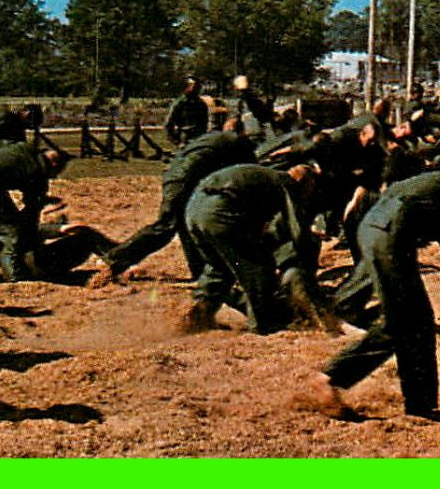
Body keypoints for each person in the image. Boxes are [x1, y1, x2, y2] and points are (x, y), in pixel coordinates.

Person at [294, 161, 440, 418]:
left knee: (419, 321)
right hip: (389, 233)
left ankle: (421, 405)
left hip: (382, 231)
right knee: (401, 322)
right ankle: (330, 378)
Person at [93, 121, 258, 285]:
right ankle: (113, 260)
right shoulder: (238, 143)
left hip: (176, 175)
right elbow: (251, 172)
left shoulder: (212, 139)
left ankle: (200, 270)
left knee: (186, 223)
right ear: (242, 132)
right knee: (167, 226)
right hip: (185, 179)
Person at [180, 162, 330, 334]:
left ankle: (200, 316)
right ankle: (262, 325)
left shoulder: (264, 178)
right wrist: (307, 270)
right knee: (259, 268)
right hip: (219, 211)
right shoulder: (287, 184)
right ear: (304, 182)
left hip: (194, 209)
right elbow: (297, 232)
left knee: (219, 267)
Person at [0, 142, 72, 282]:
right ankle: (14, 277)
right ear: (54, 163)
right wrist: (28, 237)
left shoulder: (22, 149)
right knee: (10, 232)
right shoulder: (37, 168)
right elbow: (32, 208)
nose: (54, 177)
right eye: (56, 172)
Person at [163, 77, 210, 146]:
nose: (195, 88)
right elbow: (169, 123)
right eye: (192, 86)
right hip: (185, 137)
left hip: (199, 138)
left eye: (197, 86)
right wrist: (176, 142)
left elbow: (205, 122)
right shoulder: (179, 103)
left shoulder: (201, 104)